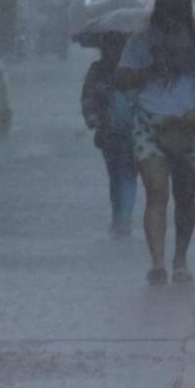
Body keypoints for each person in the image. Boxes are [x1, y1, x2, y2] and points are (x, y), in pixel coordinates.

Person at [117, 0, 195, 285]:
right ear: (159, 7)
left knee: (185, 197)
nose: (173, 11)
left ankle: (180, 258)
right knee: (156, 192)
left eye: (179, 5)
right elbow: (122, 78)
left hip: (189, 126)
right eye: (168, 5)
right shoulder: (142, 40)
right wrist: (149, 69)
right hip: (148, 123)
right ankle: (157, 262)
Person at [81, 35, 138, 237]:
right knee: (117, 176)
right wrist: (94, 120)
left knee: (126, 175)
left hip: (133, 134)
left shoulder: (137, 69)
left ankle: (124, 219)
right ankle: (119, 217)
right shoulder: (98, 70)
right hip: (110, 134)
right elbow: (88, 98)